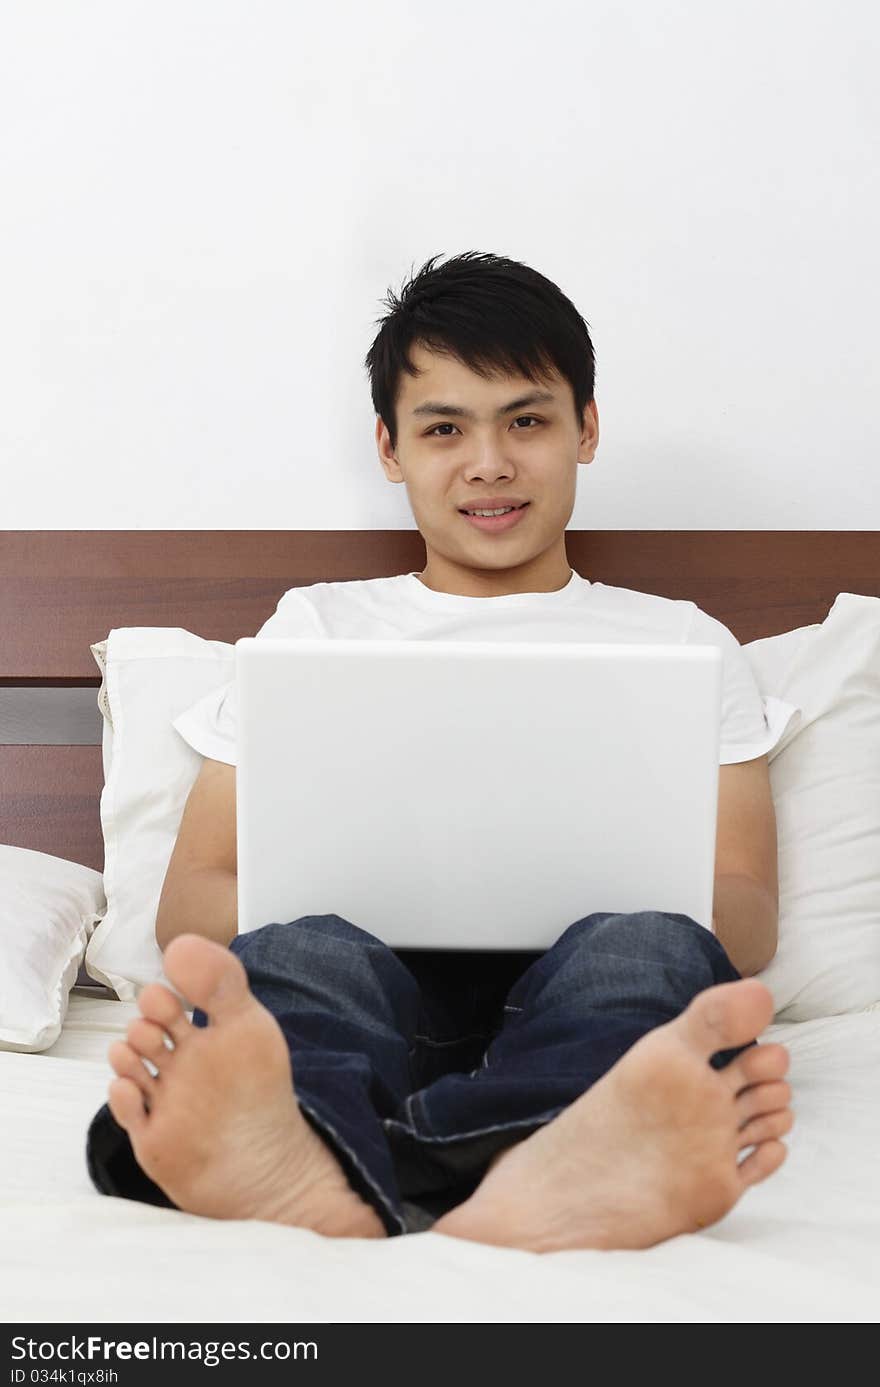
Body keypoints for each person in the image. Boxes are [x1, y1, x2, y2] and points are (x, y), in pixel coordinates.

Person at [86, 251, 795, 1250]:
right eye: (444, 428)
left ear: (586, 428)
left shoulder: (683, 641)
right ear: (389, 446)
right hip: (366, 978)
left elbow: (748, 916)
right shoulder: (312, 629)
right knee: (296, 953)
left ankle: (503, 1147)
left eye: (528, 420)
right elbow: (191, 898)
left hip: (583, 984)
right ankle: (362, 1146)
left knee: (648, 948)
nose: (490, 464)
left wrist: (623, 884)